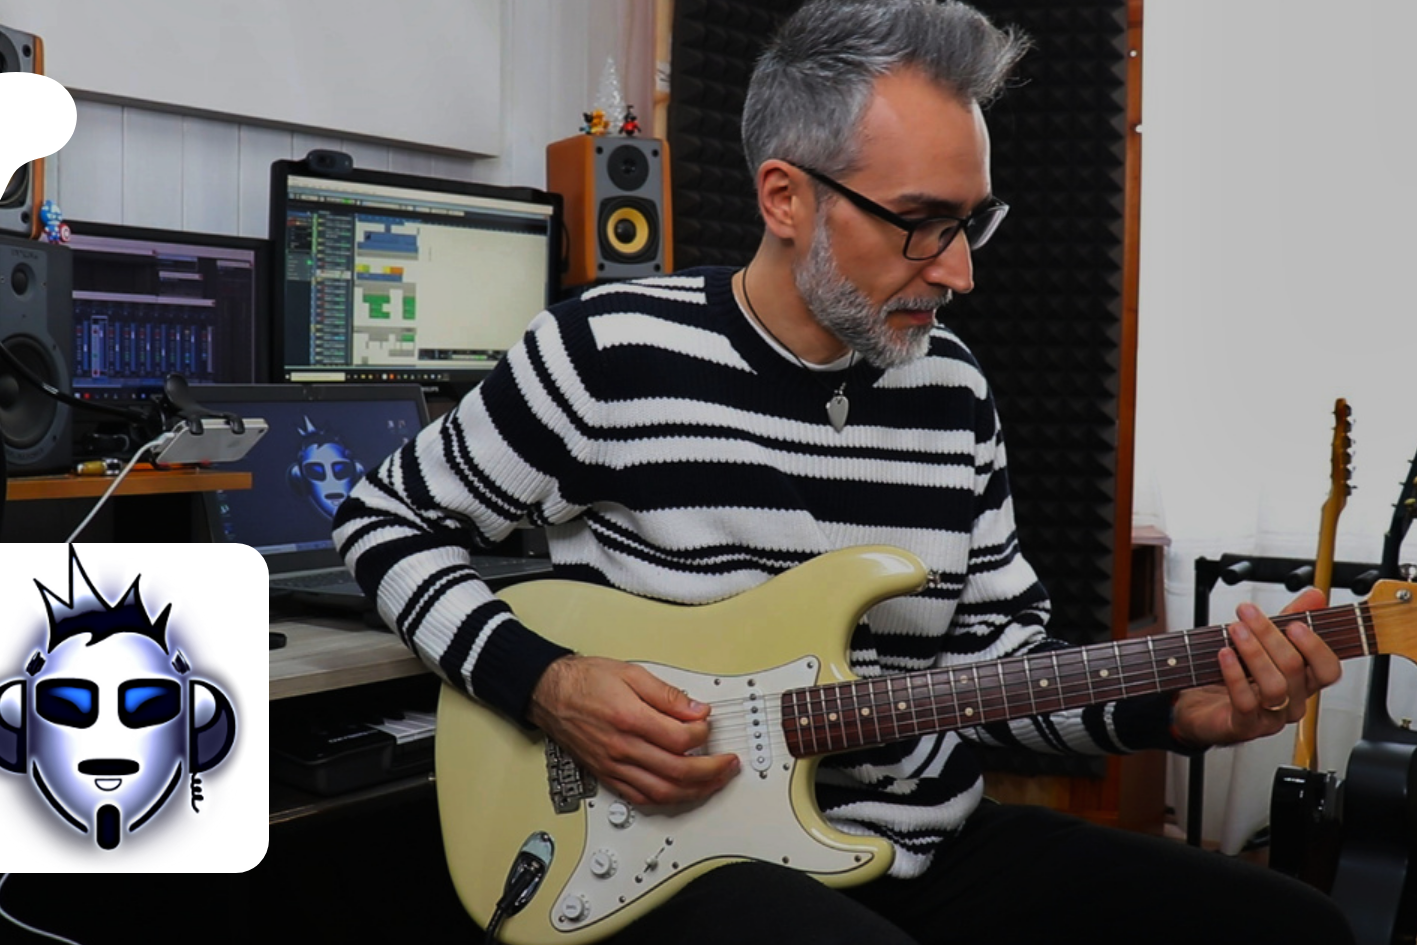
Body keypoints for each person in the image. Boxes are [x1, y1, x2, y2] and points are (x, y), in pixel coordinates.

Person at [335, 1, 1355, 942]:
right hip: (674, 851)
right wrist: (546, 682)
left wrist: (1175, 709)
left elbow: (999, 666)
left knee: (1292, 928)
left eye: (972, 222)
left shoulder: (953, 388)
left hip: (921, 840)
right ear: (786, 198)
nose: (958, 270)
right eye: (921, 223)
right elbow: (382, 521)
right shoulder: (608, 351)